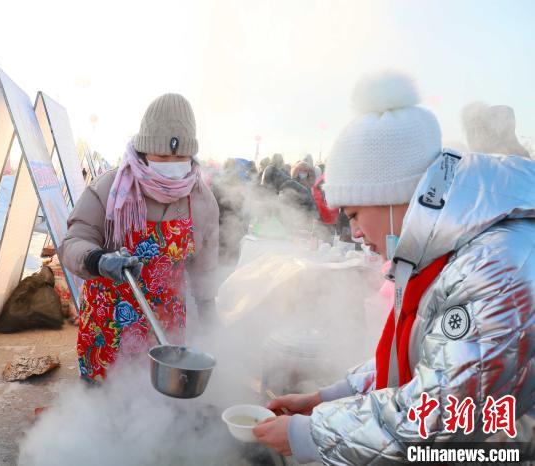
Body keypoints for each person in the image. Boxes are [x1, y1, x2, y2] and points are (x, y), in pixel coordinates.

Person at [254, 72, 535, 463]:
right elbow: (429, 356)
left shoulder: (495, 265)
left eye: (353, 214)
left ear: (389, 196)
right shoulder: (443, 249)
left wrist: (308, 433)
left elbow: (437, 419)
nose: (353, 232)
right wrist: (329, 396)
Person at [60, 93, 220, 382]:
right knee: (101, 411)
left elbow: (204, 268)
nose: (172, 164)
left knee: (154, 413)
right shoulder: (109, 188)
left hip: (165, 335)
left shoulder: (201, 200)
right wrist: (97, 260)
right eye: (162, 156)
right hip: (109, 329)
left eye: (180, 156)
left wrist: (209, 312)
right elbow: (72, 243)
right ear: (145, 151)